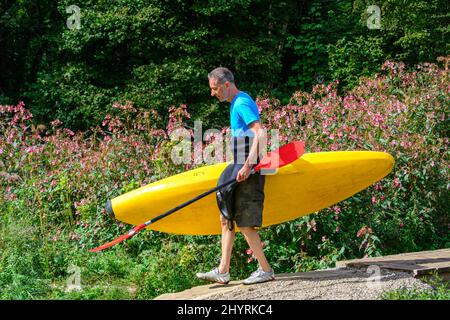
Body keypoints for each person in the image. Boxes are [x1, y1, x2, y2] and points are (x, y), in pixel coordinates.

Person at [196, 67, 274, 285]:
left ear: (226, 84)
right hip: (241, 161)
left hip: (250, 164)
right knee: (226, 217)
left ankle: (266, 270)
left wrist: (248, 165)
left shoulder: (241, 102)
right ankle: (223, 270)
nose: (213, 93)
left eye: (215, 88)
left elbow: (260, 131)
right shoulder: (237, 103)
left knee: (245, 222)